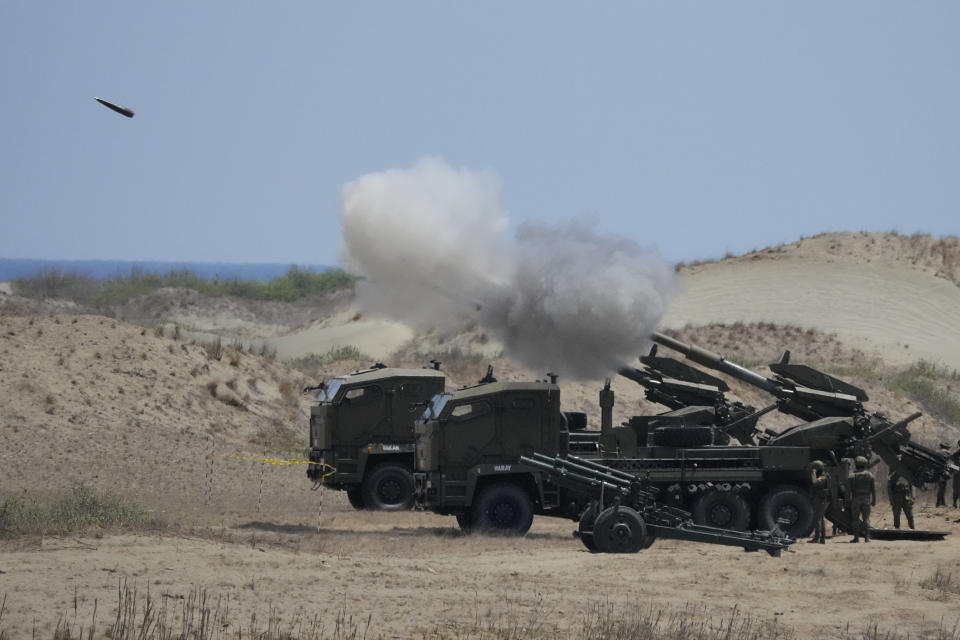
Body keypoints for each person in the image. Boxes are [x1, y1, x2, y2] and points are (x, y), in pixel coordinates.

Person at [848, 456, 876, 543]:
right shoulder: (870, 475)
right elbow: (873, 490)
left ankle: (856, 538)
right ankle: (867, 538)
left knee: (855, 519)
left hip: (855, 499)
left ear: (856, 464)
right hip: (866, 499)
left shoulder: (852, 476)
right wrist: (874, 500)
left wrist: (848, 500)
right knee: (866, 519)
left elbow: (848, 490)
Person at [808, 460, 830, 544]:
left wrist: (813, 473)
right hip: (821, 499)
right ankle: (821, 538)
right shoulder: (822, 476)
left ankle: (818, 538)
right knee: (820, 518)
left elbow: (815, 482)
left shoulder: (823, 477)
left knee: (818, 518)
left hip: (822, 500)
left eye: (814, 469)